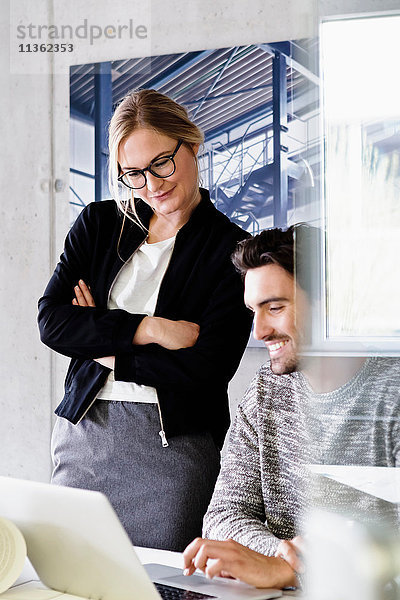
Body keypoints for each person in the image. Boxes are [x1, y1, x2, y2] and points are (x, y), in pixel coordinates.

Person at [38, 89, 253, 552]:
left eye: (162, 163)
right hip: (85, 434)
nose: (151, 184)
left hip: (175, 448)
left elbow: (205, 370)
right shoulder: (98, 224)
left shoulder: (231, 250)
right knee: (74, 577)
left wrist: (100, 339)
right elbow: (51, 321)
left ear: (191, 145)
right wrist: (149, 328)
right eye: (133, 173)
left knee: (163, 587)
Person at [183, 225, 400, 589]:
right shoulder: (264, 393)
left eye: (275, 307)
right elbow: (223, 514)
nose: (259, 331)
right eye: (254, 310)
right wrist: (282, 559)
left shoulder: (391, 392)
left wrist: (295, 569)